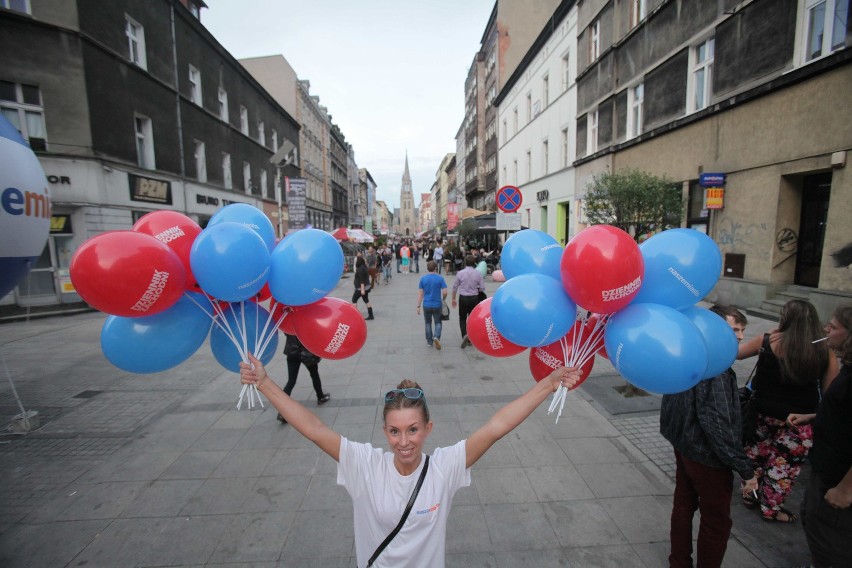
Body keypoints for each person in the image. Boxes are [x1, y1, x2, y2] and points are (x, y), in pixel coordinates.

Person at [238, 354, 582, 568]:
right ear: (384, 430)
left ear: (428, 428)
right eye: (394, 431)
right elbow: (313, 428)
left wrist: (547, 385)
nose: (404, 442)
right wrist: (265, 383)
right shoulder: (365, 465)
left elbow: (496, 427)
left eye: (413, 430)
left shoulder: (444, 468)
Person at [660, 305, 758, 568]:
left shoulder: (686, 354)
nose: (739, 337)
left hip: (684, 446)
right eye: (734, 329)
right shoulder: (715, 368)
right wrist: (745, 469)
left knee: (683, 504)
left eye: (742, 330)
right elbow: (718, 425)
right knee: (716, 521)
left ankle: (678, 562)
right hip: (706, 457)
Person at [737, 298, 838, 522]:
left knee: (755, 455)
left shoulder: (766, 340)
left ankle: (750, 495)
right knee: (783, 467)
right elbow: (831, 394)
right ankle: (770, 510)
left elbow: (736, 354)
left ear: (785, 318)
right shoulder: (824, 351)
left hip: (761, 413)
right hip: (799, 421)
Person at [788, 305, 852, 568]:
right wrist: (814, 416)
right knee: (813, 523)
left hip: (839, 480)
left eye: (834, 326)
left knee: (831, 545)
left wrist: (846, 489)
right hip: (824, 468)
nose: (826, 329)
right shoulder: (847, 367)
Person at [275, 333, 331, 423]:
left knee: (291, 381)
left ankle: (282, 412)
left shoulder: (289, 322)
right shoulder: (304, 321)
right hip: (307, 353)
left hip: (292, 352)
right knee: (314, 375)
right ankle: (320, 397)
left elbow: (286, 333)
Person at [452, 255, 486, 348]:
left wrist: (453, 299)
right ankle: (471, 338)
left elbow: (455, 287)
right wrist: (477, 289)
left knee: (462, 318)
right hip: (474, 298)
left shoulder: (460, 273)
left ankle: (464, 335)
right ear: (474, 263)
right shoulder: (478, 273)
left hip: (463, 298)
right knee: (472, 318)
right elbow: (482, 288)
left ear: (465, 263)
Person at [417, 260, 447, 350]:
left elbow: (420, 294)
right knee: (438, 322)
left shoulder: (423, 279)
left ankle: (429, 342)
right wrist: (443, 299)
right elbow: (445, 292)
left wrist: (418, 306)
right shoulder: (440, 278)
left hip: (426, 304)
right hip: (437, 304)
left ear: (427, 269)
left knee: (427, 322)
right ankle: (436, 337)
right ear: (435, 268)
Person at [352, 256, 374, 320]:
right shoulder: (364, 267)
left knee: (354, 299)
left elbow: (362, 280)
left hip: (361, 288)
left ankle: (355, 316)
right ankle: (371, 315)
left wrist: (362, 290)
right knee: (366, 300)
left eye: (356, 261)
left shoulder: (359, 269)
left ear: (358, 262)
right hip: (367, 287)